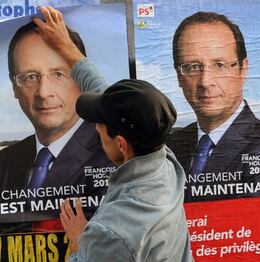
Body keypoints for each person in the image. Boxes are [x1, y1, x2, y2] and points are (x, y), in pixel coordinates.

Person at [0, 7, 114, 228]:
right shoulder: (4, 162)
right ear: (14, 86)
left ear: (82, 80)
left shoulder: (116, 153)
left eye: (58, 74)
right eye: (30, 76)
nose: (44, 92)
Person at [60, 79, 192, 262]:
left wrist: (79, 243)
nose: (96, 128)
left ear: (121, 144)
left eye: (100, 126)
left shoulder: (112, 232)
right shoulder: (165, 161)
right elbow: (123, 101)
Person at [167, 12, 260, 202]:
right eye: (193, 67)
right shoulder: (169, 149)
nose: (206, 82)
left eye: (219, 65)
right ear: (178, 75)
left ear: (243, 69)